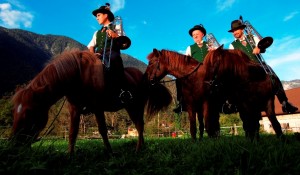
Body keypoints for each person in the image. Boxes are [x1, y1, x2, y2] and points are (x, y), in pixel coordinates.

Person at [228, 19, 298, 113]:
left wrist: (259, 48)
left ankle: (284, 103)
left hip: (258, 64)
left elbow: (264, 44)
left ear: (242, 29)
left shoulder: (252, 37)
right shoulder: (232, 45)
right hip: (245, 69)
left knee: (273, 76)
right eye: (233, 31)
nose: (234, 32)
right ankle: (233, 104)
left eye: (236, 30)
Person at [87, 3, 132, 104]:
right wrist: (92, 54)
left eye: (98, 15)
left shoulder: (116, 26)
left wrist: (115, 35)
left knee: (114, 59)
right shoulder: (96, 33)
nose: (96, 18)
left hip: (112, 52)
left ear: (105, 15)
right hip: (98, 54)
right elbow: (91, 46)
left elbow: (125, 42)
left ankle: (123, 91)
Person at [174, 24, 212, 113]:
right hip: (196, 73)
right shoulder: (190, 48)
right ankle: (181, 103)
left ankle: (228, 101)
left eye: (197, 34)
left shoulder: (210, 44)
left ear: (202, 34)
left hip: (211, 70)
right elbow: (185, 62)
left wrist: (213, 51)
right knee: (178, 79)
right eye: (193, 35)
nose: (195, 36)